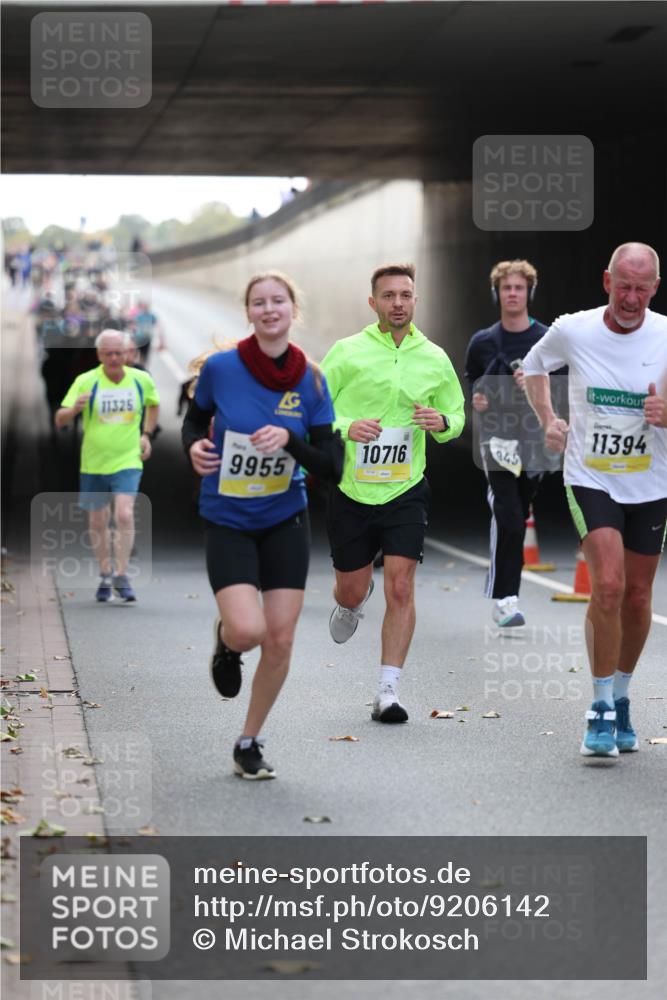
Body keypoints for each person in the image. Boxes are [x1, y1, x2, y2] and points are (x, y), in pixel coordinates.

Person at [181, 271, 342, 780]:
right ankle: (228, 643)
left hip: (285, 518)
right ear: (248, 312)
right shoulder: (221, 369)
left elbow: (331, 464)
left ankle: (249, 740)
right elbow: (193, 419)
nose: (270, 309)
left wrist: (290, 443)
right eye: (259, 303)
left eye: (279, 301)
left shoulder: (313, 379)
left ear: (294, 310)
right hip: (228, 517)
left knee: (280, 639)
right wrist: (193, 447)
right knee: (249, 630)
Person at [523, 243, 667, 759]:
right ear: (606, 281)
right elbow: (533, 366)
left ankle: (624, 695)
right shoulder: (574, 329)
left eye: (642, 288)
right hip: (592, 477)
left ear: (655, 288)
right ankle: (601, 706)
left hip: (651, 483)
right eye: (623, 286)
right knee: (608, 585)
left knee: (638, 598)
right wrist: (548, 420)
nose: (631, 298)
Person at [321, 263, 465, 724]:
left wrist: (442, 423)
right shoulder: (347, 352)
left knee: (401, 585)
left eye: (405, 295)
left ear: (415, 300)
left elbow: (456, 416)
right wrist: (346, 427)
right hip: (352, 490)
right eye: (388, 296)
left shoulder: (435, 357)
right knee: (352, 588)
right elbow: (315, 413)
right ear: (373, 303)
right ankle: (350, 602)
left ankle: (388, 693)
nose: (397, 303)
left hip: (406, 488)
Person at [464, 259, 550, 627]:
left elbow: (564, 390)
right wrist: (479, 400)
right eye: (506, 288)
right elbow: (474, 388)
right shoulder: (482, 342)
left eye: (518, 287)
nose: (512, 294)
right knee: (511, 517)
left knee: (520, 509)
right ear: (496, 293)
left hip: (535, 441)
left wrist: (534, 386)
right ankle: (505, 599)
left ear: (529, 292)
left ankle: (505, 591)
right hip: (496, 440)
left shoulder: (547, 340)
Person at [55, 329, 160, 603]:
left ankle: (122, 575)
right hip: (94, 462)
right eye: (108, 353)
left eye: (118, 352)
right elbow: (60, 420)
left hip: (128, 459)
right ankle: (105, 573)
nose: (114, 358)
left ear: (128, 353)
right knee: (97, 520)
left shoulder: (141, 379)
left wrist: (146, 434)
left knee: (124, 514)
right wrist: (74, 409)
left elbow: (153, 405)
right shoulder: (86, 381)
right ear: (99, 355)